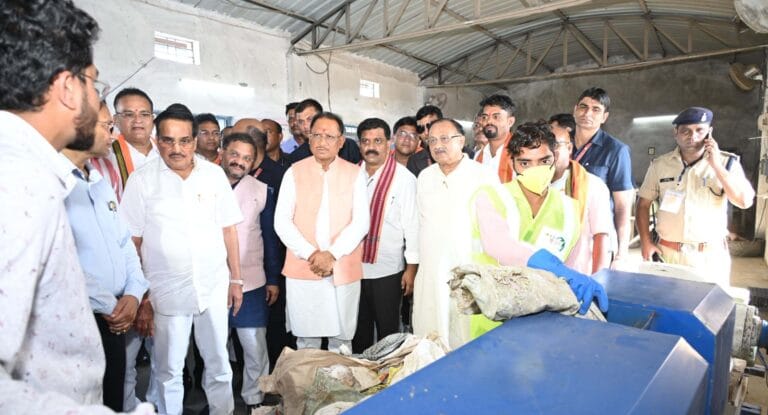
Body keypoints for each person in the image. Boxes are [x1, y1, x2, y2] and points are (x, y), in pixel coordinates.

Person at [0, 1, 152, 413]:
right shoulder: (19, 184)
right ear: (68, 88)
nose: (95, 98)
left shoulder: (35, 172)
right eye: (94, 85)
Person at [120, 104, 242, 415]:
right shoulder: (142, 181)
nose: (177, 149)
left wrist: (236, 280)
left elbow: (229, 231)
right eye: (168, 140)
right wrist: (142, 296)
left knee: (218, 366)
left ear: (194, 140)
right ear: (157, 139)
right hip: (165, 293)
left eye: (184, 140)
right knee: (168, 371)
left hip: (213, 287)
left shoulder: (214, 176)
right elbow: (132, 242)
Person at [469, 121, 609, 340]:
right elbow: (501, 246)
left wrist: (576, 281)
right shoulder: (491, 197)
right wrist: (554, 267)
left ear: (554, 158)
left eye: (543, 161)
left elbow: (573, 266)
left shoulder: (570, 209)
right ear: (513, 163)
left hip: (545, 322)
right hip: (493, 318)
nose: (536, 170)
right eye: (525, 162)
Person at [63, 101, 150, 411]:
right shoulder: (55, 187)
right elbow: (62, 260)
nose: (113, 135)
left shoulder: (99, 183)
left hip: (116, 313)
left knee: (111, 398)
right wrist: (111, 305)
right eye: (106, 127)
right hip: (83, 317)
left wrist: (134, 292)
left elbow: (124, 242)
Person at [274, 112, 369, 354]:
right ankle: (307, 391)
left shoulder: (356, 173)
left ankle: (338, 391)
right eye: (316, 135)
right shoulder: (293, 172)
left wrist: (332, 255)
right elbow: (281, 221)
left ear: (341, 142)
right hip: (304, 267)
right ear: (308, 138)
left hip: (342, 266)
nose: (322, 141)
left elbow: (361, 223)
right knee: (307, 341)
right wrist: (312, 254)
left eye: (329, 136)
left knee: (342, 341)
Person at [636, 107, 755, 288]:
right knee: (666, 308)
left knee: (710, 311)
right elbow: (643, 204)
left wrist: (716, 166)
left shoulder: (727, 163)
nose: (693, 136)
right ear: (675, 132)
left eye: (699, 130)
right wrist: (645, 241)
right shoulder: (660, 165)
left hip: (708, 256)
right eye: (686, 131)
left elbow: (744, 201)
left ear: (709, 132)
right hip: (668, 254)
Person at [412, 118, 497, 348]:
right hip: (431, 268)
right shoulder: (425, 177)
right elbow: (417, 222)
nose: (438, 145)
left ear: (461, 141)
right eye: (432, 140)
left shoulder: (484, 175)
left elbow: (497, 228)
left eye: (444, 139)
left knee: (466, 334)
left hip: (469, 267)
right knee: (430, 331)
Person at [221, 132, 280, 410]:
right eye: (234, 154)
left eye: (246, 158)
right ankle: (219, 400)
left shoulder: (261, 190)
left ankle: (256, 398)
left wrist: (272, 279)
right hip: (213, 280)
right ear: (223, 152)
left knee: (253, 344)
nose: (239, 161)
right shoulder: (205, 183)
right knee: (215, 346)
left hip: (252, 280)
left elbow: (269, 238)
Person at [352, 118, 419, 353]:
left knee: (388, 331)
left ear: (388, 143)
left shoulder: (404, 179)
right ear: (359, 144)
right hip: (353, 268)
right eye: (366, 141)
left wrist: (411, 268)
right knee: (357, 330)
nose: (372, 146)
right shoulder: (351, 175)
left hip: (388, 269)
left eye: (378, 141)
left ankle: (388, 381)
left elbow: (412, 226)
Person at [571, 87, 634, 263]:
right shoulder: (560, 143)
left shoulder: (616, 150)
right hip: (562, 232)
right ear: (575, 110)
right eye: (583, 107)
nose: (587, 113)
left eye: (596, 109)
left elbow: (622, 205)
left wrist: (622, 251)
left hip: (596, 237)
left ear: (604, 117)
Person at [549, 113, 612, 274]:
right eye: (544, 144)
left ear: (569, 148)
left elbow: (601, 238)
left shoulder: (592, 185)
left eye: (555, 145)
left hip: (577, 275)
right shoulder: (532, 182)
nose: (549, 151)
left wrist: (597, 282)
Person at [110, 87, 159, 199]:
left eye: (144, 114)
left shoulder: (165, 150)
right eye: (129, 114)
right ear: (115, 120)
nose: (138, 120)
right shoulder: (107, 155)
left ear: (152, 119)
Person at [287, 99, 362, 164]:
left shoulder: (349, 147)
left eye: (309, 119)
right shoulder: (296, 157)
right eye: (301, 122)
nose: (305, 126)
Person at [475, 94, 516, 182]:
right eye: (484, 117)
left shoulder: (519, 153)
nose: (489, 121)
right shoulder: (478, 156)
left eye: (496, 117)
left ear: (510, 122)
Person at [406, 105, 442, 177]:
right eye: (421, 128)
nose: (426, 132)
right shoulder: (414, 161)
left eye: (430, 126)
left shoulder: (462, 153)